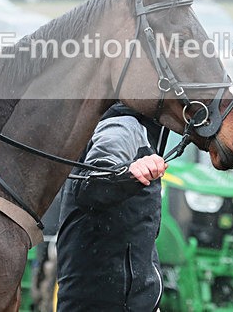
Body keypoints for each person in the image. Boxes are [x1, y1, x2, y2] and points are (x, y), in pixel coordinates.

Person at [56, 102, 169, 311]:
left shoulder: (132, 128)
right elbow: (92, 186)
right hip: (109, 302)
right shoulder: (122, 126)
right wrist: (129, 173)